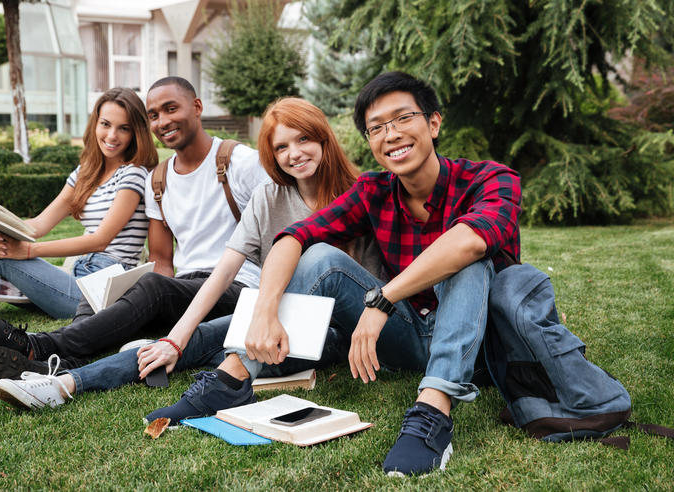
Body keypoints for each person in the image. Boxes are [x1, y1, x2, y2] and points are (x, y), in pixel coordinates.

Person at [147, 72, 522, 477]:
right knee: (318, 254)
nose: (391, 134)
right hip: (410, 336)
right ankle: (230, 380)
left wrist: (383, 299)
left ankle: (433, 412)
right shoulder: (372, 190)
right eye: (377, 127)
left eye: (402, 119)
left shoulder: (493, 178)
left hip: (479, 343)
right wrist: (265, 311)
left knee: (466, 258)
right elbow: (294, 236)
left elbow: (471, 241)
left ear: (433, 123)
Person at [0, 97, 380, 411]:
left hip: (335, 330)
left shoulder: (360, 194)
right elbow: (223, 271)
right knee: (190, 341)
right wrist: (175, 337)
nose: (294, 154)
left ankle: (82, 360)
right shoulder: (269, 196)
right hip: (275, 318)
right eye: (281, 147)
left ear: (324, 137)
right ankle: (60, 385)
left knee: (218, 344)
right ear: (270, 156)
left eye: (304, 139)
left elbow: (373, 285)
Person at [0, 76, 268, 388]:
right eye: (154, 115)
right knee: (106, 292)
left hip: (238, 290)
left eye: (171, 109)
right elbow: (162, 261)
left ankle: (35, 345)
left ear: (197, 107)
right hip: (188, 293)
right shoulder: (159, 180)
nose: (163, 121)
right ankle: (53, 366)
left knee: (153, 288)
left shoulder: (240, 161)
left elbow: (280, 238)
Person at [0, 87, 158, 319]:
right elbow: (38, 225)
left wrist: (28, 251)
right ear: (95, 125)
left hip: (100, 292)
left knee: (0, 257)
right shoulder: (85, 172)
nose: (112, 135)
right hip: (77, 277)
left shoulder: (133, 174)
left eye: (123, 128)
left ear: (136, 132)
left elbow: (100, 240)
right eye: (105, 124)